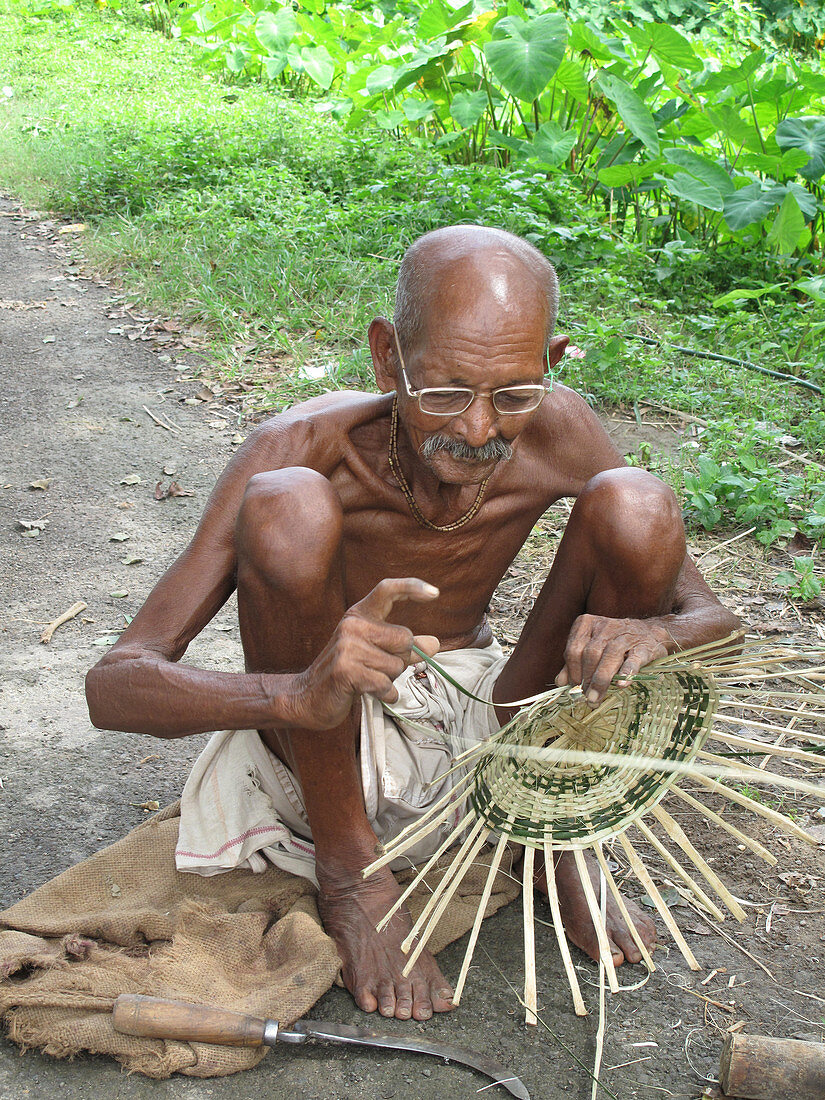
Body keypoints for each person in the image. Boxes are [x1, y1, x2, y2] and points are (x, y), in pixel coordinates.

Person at [86, 224, 740, 1025]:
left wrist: (656, 635)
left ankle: (550, 835)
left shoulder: (557, 427)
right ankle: (352, 869)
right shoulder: (303, 444)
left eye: (512, 393)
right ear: (386, 357)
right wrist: (294, 694)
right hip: (327, 739)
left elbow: (714, 618)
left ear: (554, 362)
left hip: (487, 727)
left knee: (637, 501)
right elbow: (114, 687)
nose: (475, 429)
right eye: (444, 390)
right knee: (286, 503)